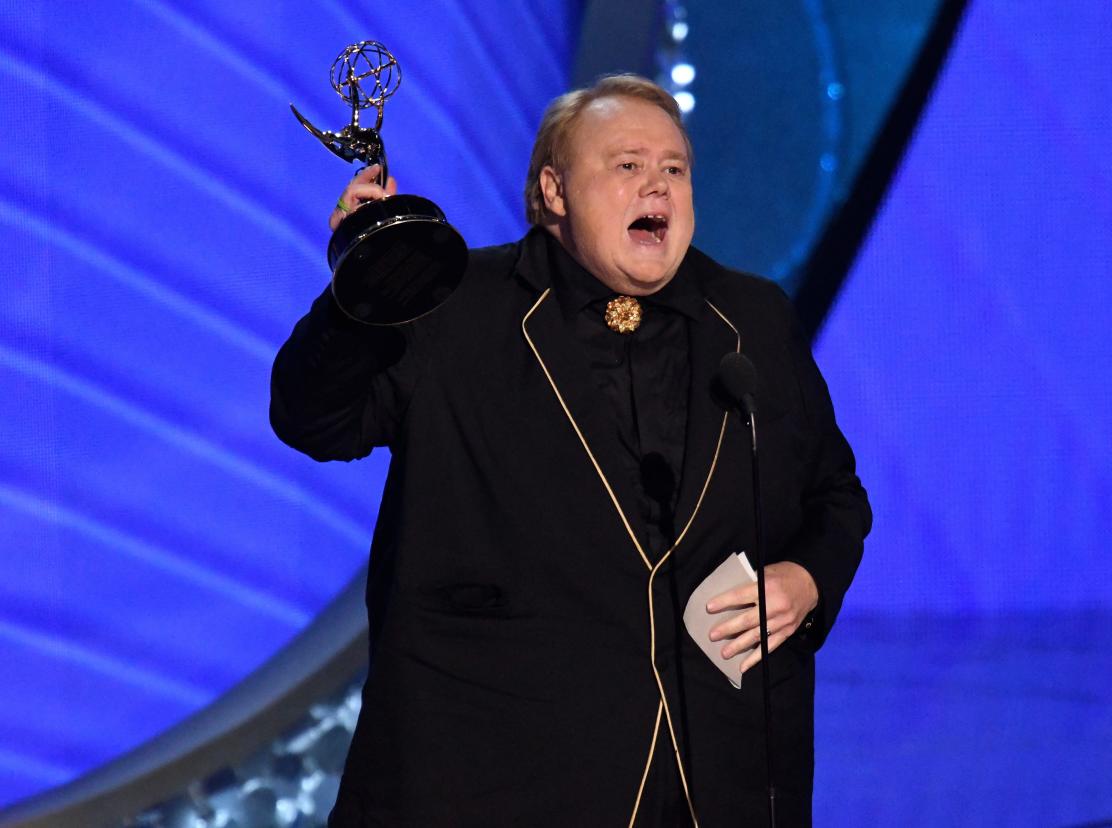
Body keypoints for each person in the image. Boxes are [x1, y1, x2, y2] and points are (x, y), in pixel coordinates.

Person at [271, 74, 871, 827]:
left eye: (674, 169)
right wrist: (361, 297)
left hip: (716, 775)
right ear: (554, 190)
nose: (657, 183)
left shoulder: (750, 318)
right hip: (497, 779)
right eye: (627, 166)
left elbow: (834, 495)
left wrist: (808, 580)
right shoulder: (454, 305)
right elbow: (313, 421)